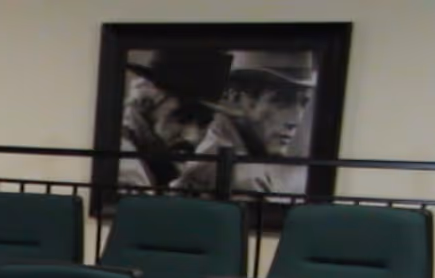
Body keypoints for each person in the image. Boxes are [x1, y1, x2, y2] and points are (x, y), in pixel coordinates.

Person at [173, 51, 317, 196]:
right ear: (235, 99)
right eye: (281, 100)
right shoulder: (243, 177)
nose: (296, 120)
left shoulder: (217, 149)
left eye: (304, 102)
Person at [117, 48, 231, 192]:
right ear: (146, 103)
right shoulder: (124, 165)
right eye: (182, 118)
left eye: (204, 123)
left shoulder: (161, 162)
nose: (191, 137)